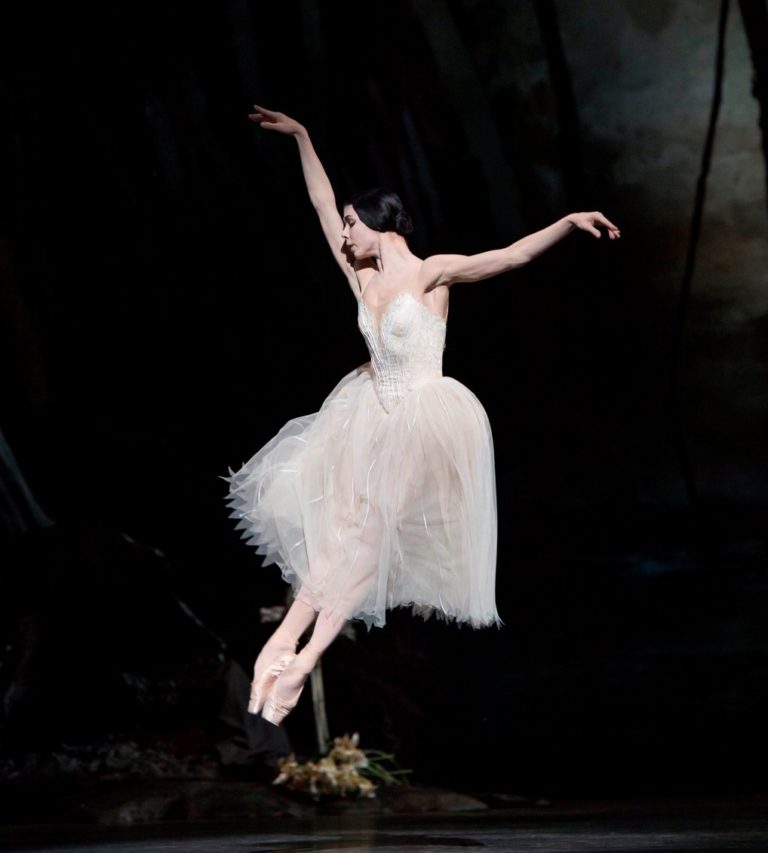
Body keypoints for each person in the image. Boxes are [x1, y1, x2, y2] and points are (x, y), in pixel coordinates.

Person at [225, 105, 620, 727]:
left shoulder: (433, 274)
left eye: (356, 225)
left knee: (372, 534)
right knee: (343, 535)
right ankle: (282, 647)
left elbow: (510, 257)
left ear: (383, 225)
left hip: (424, 418)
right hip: (368, 413)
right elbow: (322, 206)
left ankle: (305, 660)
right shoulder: (361, 279)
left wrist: (567, 222)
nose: (347, 235)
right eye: (348, 227)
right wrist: (303, 136)